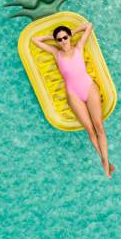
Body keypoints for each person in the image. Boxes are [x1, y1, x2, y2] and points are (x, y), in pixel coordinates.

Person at [32, 22, 114, 178]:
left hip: (88, 88)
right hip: (73, 94)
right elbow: (35, 40)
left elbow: (89, 26)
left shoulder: (78, 47)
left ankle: (106, 163)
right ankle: (105, 161)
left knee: (99, 127)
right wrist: (52, 38)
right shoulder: (56, 53)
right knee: (90, 130)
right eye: (59, 39)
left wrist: (72, 31)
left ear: (69, 37)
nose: (63, 41)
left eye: (65, 37)